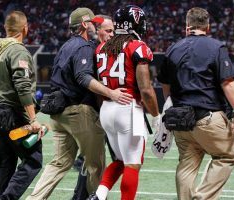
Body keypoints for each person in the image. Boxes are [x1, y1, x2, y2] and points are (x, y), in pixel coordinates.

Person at [26, 7, 132, 200]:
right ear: (85, 24)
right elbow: (83, 77)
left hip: (59, 114)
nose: (96, 25)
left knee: (59, 163)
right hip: (78, 112)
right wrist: (112, 93)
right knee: (96, 166)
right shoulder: (84, 47)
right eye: (93, 23)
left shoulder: (65, 46)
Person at [157, 7, 234, 200]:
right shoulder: (216, 47)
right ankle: (202, 197)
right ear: (207, 26)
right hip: (208, 117)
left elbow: (165, 87)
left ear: (187, 26)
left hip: (181, 121)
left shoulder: (173, 48)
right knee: (227, 155)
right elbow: (228, 84)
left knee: (186, 163)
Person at [88, 5, 160, 200]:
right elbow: (145, 89)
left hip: (107, 109)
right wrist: (156, 115)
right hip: (128, 108)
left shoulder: (102, 47)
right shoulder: (137, 46)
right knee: (133, 163)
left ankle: (99, 195)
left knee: (121, 160)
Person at [0, 11, 43, 200]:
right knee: (33, 160)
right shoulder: (17, 50)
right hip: (11, 115)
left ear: (5, 28)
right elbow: (23, 87)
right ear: (25, 28)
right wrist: (33, 119)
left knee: (6, 164)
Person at [72, 14, 115, 200]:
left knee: (98, 162)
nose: (112, 34)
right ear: (97, 31)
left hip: (108, 112)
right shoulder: (90, 51)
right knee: (103, 162)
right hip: (97, 113)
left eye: (113, 30)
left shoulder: (107, 49)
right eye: (108, 30)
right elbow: (85, 80)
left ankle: (83, 196)